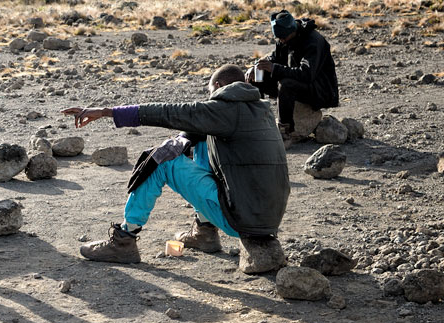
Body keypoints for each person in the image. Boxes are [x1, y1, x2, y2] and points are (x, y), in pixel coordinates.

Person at [61, 64, 289, 269]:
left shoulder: (223, 109)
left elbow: (167, 112)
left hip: (243, 217)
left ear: (218, 86)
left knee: (161, 158)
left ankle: (124, 240)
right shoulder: (260, 108)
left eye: (210, 92)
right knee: (199, 140)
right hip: (266, 215)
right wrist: (184, 138)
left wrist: (105, 111)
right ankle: (205, 231)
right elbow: (197, 130)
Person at [246, 10, 338, 136]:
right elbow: (274, 58)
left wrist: (274, 68)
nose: (281, 41)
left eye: (283, 38)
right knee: (255, 78)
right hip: (301, 83)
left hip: (320, 90)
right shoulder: (285, 38)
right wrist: (256, 66)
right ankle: (257, 123)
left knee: (286, 84)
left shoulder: (313, 41)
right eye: (279, 38)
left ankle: (286, 132)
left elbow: (306, 74)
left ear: (292, 31)